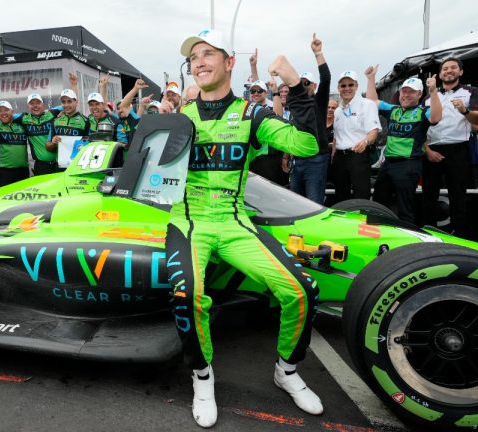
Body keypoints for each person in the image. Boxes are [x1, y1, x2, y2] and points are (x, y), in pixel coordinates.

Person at [169, 29, 323, 428]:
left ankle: (286, 371)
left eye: (208, 54)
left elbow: (308, 146)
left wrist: (295, 85)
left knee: (302, 290)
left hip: (235, 222)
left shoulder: (253, 114)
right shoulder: (177, 118)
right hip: (188, 221)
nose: (199, 62)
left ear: (229, 62)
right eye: (194, 57)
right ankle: (202, 377)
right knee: (188, 294)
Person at [366, 68, 442, 224]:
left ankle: (407, 244)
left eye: (411, 92)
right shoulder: (394, 110)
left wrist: (433, 92)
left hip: (408, 164)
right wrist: (371, 78)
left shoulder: (423, 112)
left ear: (420, 94)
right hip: (387, 164)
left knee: (404, 209)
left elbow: (436, 117)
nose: (406, 95)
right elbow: (371, 103)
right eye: (404, 91)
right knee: (378, 205)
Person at [421, 57, 478, 236]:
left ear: (461, 72)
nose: (448, 71)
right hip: (432, 149)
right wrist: (427, 150)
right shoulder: (430, 95)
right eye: (445, 69)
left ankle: (460, 236)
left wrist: (465, 110)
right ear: (440, 74)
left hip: (458, 149)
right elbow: (422, 126)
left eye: (453, 68)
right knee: (428, 197)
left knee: (458, 197)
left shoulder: (471, 91)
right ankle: (427, 235)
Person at [287, 33, 332, 205]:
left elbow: (326, 79)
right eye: (301, 83)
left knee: (313, 205)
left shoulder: (318, 102)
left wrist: (318, 53)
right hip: (297, 160)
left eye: (307, 83)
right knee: (295, 205)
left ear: (314, 86)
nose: (303, 86)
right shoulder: (295, 105)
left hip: (316, 161)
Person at [331, 70, 381, 203]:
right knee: (341, 195)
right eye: (343, 86)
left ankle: (362, 223)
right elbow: (337, 137)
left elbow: (374, 131)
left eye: (350, 85)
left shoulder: (367, 104)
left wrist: (365, 142)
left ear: (356, 86)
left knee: (361, 195)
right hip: (340, 158)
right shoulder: (337, 111)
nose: (347, 88)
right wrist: (333, 154)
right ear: (338, 88)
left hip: (358, 155)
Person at [13, 93, 60, 176]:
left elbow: (68, 106)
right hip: (41, 166)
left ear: (43, 105)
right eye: (32, 103)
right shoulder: (24, 118)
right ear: (28, 106)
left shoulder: (51, 113)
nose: (35, 106)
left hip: (58, 163)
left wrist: (63, 113)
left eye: (38, 103)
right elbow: (5, 115)